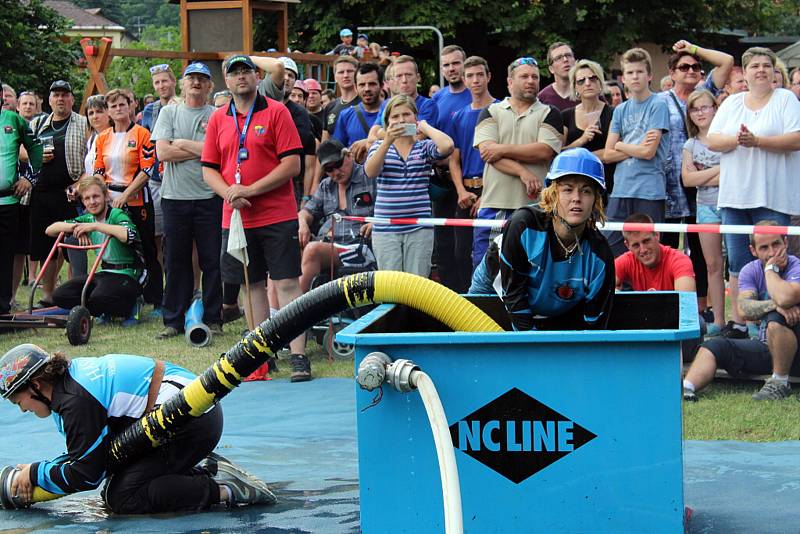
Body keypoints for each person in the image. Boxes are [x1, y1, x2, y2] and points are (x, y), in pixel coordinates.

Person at [0, 343, 274, 513]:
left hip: (191, 421)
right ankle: (209, 472)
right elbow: (87, 455)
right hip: (186, 416)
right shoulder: (67, 388)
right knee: (115, 489)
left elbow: (86, 475)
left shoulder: (75, 401)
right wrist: (35, 472)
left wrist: (36, 473)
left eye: (18, 400)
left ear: (35, 385)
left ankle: (224, 489)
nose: (22, 408)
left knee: (124, 497)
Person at [201, 54, 310, 382]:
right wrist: (230, 192)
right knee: (252, 286)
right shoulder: (219, 118)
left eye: (246, 71)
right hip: (235, 217)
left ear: (255, 75)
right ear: (226, 80)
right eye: (234, 73)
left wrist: (250, 189)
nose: (241, 77)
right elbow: (208, 168)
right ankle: (262, 354)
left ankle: (299, 355)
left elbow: (292, 164)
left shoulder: (277, 112)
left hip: (277, 213)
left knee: (289, 283)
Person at [707, 47, 800, 339]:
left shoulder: (785, 99)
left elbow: (796, 138)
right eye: (754, 66)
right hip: (735, 196)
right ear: (744, 73)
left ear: (774, 72)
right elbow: (712, 140)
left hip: (772, 196)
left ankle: (776, 321)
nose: (760, 70)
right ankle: (741, 324)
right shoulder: (732, 103)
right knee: (737, 263)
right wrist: (738, 139)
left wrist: (757, 141)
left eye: (766, 65)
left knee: (775, 260)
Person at [494, 148, 614, 330]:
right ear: (552, 195)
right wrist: (534, 347)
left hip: (554, 306)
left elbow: (594, 326)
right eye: (567, 189)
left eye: (586, 191)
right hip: (498, 286)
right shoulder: (523, 225)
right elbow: (513, 296)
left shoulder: (600, 255)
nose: (576, 198)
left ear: (596, 200)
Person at [658, 41, 733, 321]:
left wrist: (693, 48)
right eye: (684, 66)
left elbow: (726, 61)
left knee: (703, 256)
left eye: (696, 67)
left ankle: (705, 313)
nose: (691, 70)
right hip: (669, 187)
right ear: (672, 72)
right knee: (666, 249)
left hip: (703, 192)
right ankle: (668, 310)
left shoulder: (705, 95)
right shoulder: (660, 101)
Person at [683, 224, 800, 401]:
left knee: (775, 319)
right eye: (764, 247)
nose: (771, 253)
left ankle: (780, 383)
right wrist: (774, 305)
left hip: (796, 349)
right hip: (768, 346)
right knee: (716, 345)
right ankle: (687, 389)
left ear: (785, 243)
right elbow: (743, 309)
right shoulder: (750, 270)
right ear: (753, 250)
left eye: (776, 244)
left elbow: (785, 298)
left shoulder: (796, 266)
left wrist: (770, 270)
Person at [151, 62, 223, 340]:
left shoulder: (217, 115)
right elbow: (163, 153)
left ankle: (214, 317)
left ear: (209, 86)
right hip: (174, 198)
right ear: (182, 83)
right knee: (176, 261)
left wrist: (182, 143)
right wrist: (202, 150)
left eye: (202, 79)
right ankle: (173, 320)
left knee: (212, 260)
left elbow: (218, 154)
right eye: (191, 78)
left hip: (209, 197)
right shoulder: (168, 112)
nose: (196, 82)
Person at [471, 56, 563, 267]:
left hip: (535, 206)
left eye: (535, 77)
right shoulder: (491, 111)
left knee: (532, 267)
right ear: (510, 82)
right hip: (495, 204)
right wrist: (523, 172)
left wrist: (501, 148)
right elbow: (487, 153)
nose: (530, 81)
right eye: (524, 76)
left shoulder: (550, 113)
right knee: (487, 268)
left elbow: (544, 150)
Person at [364, 94, 454, 277]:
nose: (401, 120)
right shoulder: (379, 146)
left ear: (415, 117)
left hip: (419, 228)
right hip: (386, 229)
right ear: (387, 121)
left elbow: (448, 146)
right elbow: (370, 171)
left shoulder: (423, 147)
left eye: (406, 114)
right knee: (391, 287)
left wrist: (425, 127)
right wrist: (387, 141)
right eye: (395, 117)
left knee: (418, 287)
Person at [94, 89, 162, 314]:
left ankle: (156, 299)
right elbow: (98, 170)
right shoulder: (103, 137)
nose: (118, 109)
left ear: (131, 106)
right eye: (113, 106)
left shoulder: (142, 133)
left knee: (146, 248)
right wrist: (101, 195)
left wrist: (126, 195)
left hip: (137, 199)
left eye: (122, 104)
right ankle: (121, 299)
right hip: (110, 200)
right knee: (116, 250)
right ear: (108, 111)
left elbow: (146, 169)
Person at [45, 176, 144, 320]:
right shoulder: (87, 219)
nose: (92, 202)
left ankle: (132, 304)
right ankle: (103, 310)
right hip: (104, 272)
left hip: (128, 273)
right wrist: (77, 228)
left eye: (96, 196)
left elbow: (128, 235)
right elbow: (50, 229)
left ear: (105, 196)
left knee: (99, 297)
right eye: (87, 198)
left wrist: (95, 226)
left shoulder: (116, 214)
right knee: (60, 295)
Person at [603, 48, 670, 257]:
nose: (635, 76)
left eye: (640, 72)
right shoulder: (620, 110)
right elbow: (607, 154)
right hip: (621, 188)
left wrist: (621, 145)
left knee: (649, 250)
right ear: (623, 78)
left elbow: (649, 152)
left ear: (649, 76)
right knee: (612, 247)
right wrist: (635, 148)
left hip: (649, 189)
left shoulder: (658, 104)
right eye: (630, 73)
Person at [28, 80, 88, 307]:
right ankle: (48, 295)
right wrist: (36, 156)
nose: (60, 99)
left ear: (72, 99)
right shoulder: (37, 123)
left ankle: (75, 294)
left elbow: (90, 158)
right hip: (42, 193)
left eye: (65, 95)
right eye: (56, 95)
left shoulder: (82, 123)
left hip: (71, 192)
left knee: (74, 244)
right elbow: (23, 148)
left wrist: (80, 186)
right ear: (49, 100)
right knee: (46, 247)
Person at [297, 139, 376, 293]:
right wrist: (302, 223)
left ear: (348, 156)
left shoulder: (369, 176)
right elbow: (306, 212)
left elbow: (389, 208)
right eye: (328, 169)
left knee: (313, 250)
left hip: (359, 247)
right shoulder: (326, 185)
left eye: (338, 164)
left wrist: (376, 223)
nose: (335, 172)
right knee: (286, 245)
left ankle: (296, 311)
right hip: (328, 244)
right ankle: (274, 313)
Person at [446, 55, 497, 286]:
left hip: (493, 190)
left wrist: (486, 196)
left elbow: (499, 156)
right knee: (460, 253)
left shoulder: (500, 109)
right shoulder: (458, 116)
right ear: (464, 80)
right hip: (465, 192)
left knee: (489, 253)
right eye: (470, 76)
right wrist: (460, 191)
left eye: (479, 74)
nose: (475, 80)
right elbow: (454, 159)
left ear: (488, 76)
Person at [681, 89, 727, 334]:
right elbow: (688, 180)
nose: (700, 112)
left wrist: (704, 174)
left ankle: (745, 322)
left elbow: (733, 175)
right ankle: (718, 320)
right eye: (694, 108)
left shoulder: (725, 137)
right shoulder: (690, 144)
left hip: (731, 204)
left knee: (740, 264)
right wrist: (719, 170)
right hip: (705, 207)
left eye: (704, 107)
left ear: (715, 108)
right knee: (712, 265)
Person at [0, 79, 42, 315]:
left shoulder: (13, 120)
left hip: (7, 201)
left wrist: (30, 179)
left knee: (6, 256)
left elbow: (36, 148)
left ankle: (3, 308)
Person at [561, 59, 615, 199]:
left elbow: (613, 151)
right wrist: (582, 140)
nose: (587, 83)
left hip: (605, 184)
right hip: (573, 186)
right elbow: (559, 154)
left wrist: (579, 159)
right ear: (575, 87)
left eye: (593, 78)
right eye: (581, 80)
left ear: (600, 82)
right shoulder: (566, 115)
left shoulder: (613, 113)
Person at [614, 213, 695, 292]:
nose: (643, 250)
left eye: (646, 241)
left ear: (657, 235)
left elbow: (686, 301)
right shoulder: (625, 261)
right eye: (636, 245)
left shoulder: (679, 260)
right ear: (627, 245)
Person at [332, 62, 383, 163]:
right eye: (362, 84)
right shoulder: (345, 115)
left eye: (372, 84)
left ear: (381, 85)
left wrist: (370, 142)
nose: (367, 89)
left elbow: (411, 133)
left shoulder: (396, 110)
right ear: (355, 87)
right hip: (356, 176)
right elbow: (336, 151)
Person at [323, 56, 360, 139]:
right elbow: (325, 143)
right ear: (335, 77)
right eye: (341, 72)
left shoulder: (365, 103)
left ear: (357, 74)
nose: (346, 75)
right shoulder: (330, 107)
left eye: (350, 71)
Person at [538, 42, 577, 111]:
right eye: (559, 58)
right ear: (551, 69)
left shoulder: (587, 92)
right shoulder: (542, 99)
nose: (565, 60)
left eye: (568, 55)